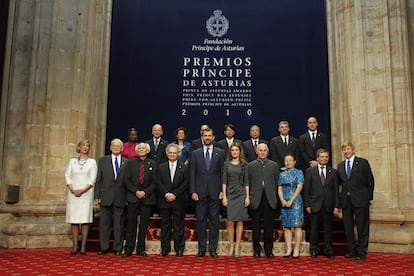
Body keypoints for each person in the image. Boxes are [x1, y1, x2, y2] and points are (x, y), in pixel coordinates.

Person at [190, 128, 225, 258]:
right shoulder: (195, 153)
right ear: (202, 137)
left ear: (214, 137)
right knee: (201, 221)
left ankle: (213, 249)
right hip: (199, 192)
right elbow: (192, 173)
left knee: (215, 222)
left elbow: (223, 173)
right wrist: (193, 191)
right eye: (205, 135)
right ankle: (202, 248)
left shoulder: (220, 153)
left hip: (216, 192)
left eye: (210, 135)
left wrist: (222, 190)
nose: (208, 137)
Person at [337, 142, 374, 261]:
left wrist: (368, 197)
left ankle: (362, 251)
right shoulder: (341, 165)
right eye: (344, 150)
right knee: (348, 227)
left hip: (361, 200)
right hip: (346, 201)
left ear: (353, 150)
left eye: (348, 149)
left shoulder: (363, 162)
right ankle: (351, 250)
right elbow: (340, 183)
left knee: (362, 226)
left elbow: (370, 181)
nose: (346, 151)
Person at [123, 143, 158, 257]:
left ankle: (141, 249)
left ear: (147, 151)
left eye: (144, 148)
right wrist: (136, 191)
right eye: (140, 148)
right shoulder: (130, 163)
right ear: (137, 151)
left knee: (144, 225)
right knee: (131, 225)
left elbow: (155, 182)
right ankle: (128, 249)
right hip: (133, 197)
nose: (142, 150)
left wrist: (145, 192)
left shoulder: (153, 164)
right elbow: (126, 180)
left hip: (147, 198)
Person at [303, 148, 340, 259]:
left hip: (329, 205)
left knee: (328, 229)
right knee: (314, 229)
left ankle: (328, 250)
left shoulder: (333, 172)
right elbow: (307, 190)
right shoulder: (310, 171)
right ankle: (314, 249)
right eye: (322, 157)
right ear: (318, 158)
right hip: (314, 205)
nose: (324, 159)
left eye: (326, 157)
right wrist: (307, 205)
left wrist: (337, 205)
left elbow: (336, 191)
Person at [94, 138, 128, 256]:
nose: (116, 147)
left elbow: (127, 182)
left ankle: (118, 248)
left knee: (119, 224)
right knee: (104, 224)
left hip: (120, 197)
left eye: (118, 146)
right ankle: (104, 247)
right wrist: (97, 195)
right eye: (114, 145)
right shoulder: (103, 160)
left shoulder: (126, 162)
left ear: (122, 148)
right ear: (110, 147)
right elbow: (98, 179)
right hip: (105, 196)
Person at [65, 139, 97, 255]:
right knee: (74, 220)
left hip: (86, 193)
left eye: (87, 146)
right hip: (73, 193)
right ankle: (75, 245)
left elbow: (92, 178)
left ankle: (83, 245)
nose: (85, 147)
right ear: (79, 147)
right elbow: (68, 175)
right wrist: (73, 189)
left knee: (84, 220)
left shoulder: (92, 162)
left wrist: (83, 190)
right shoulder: (72, 161)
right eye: (83, 145)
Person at [156, 143, 189, 257]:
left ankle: (179, 248)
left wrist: (174, 194)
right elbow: (158, 182)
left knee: (178, 225)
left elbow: (185, 183)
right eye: (170, 152)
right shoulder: (161, 167)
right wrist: (166, 194)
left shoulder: (184, 167)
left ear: (178, 154)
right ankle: (165, 249)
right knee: (165, 225)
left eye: (174, 153)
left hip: (178, 200)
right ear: (167, 153)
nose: (172, 154)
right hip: (164, 200)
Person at [248, 143, 279, 258]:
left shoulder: (274, 165)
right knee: (255, 226)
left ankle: (268, 250)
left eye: (264, 150)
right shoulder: (250, 166)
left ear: (268, 151)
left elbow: (277, 183)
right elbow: (248, 183)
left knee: (269, 226)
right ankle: (256, 249)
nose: (262, 152)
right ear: (256, 151)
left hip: (269, 199)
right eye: (260, 150)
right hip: (255, 199)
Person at [222, 142, 250, 258]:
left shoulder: (244, 165)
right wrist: (224, 196)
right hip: (230, 194)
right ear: (230, 152)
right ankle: (231, 245)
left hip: (241, 194)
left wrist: (247, 197)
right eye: (232, 150)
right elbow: (224, 181)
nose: (234, 152)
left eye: (236, 150)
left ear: (240, 151)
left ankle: (237, 246)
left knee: (239, 221)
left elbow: (246, 182)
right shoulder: (226, 164)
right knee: (230, 221)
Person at [278, 153, 304, 259]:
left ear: (294, 162)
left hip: (296, 201)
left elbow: (300, 186)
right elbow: (279, 187)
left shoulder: (299, 172)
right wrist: (282, 200)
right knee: (286, 226)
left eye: (290, 160)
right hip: (284, 201)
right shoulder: (282, 174)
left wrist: (292, 200)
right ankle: (288, 248)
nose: (288, 162)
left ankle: (296, 249)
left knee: (297, 226)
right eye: (286, 160)